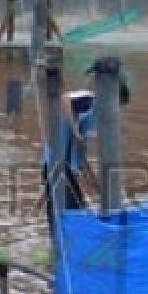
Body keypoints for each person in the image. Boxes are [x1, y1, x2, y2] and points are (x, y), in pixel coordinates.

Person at [43, 83, 131, 234]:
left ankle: (64, 247)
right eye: (117, 106)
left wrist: (97, 187)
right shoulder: (89, 100)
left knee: (77, 211)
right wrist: (75, 130)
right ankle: (60, 249)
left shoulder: (94, 118)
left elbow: (80, 156)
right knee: (66, 214)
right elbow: (64, 99)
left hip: (68, 169)